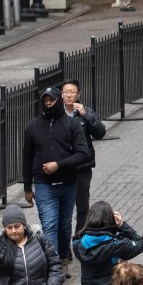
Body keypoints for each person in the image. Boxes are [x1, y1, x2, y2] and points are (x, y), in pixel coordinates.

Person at [23, 87, 90, 276]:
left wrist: (58, 165)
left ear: (58, 100)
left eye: (51, 99)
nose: (48, 103)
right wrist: (28, 187)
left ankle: (62, 259)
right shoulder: (33, 127)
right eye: (45, 100)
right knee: (49, 224)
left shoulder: (72, 125)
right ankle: (53, 266)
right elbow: (27, 158)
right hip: (44, 185)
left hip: (68, 183)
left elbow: (83, 153)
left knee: (64, 224)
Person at [61, 79, 108, 236]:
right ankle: (64, 245)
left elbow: (100, 132)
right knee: (64, 207)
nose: (69, 95)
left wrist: (86, 115)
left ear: (78, 94)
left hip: (82, 167)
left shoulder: (85, 111)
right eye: (66, 92)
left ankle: (78, 239)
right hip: (64, 167)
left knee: (82, 206)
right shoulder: (57, 114)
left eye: (72, 92)